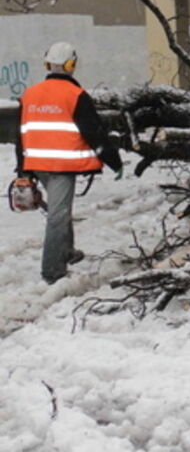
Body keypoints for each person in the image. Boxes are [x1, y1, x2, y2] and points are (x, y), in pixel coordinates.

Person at [14, 42, 123, 284]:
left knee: (59, 211)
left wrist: (22, 168)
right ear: (71, 65)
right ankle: (53, 271)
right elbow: (94, 132)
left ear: (47, 64)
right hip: (62, 166)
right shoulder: (76, 96)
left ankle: (67, 251)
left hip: (37, 164)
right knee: (58, 216)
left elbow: (20, 134)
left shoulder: (30, 94)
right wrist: (114, 160)